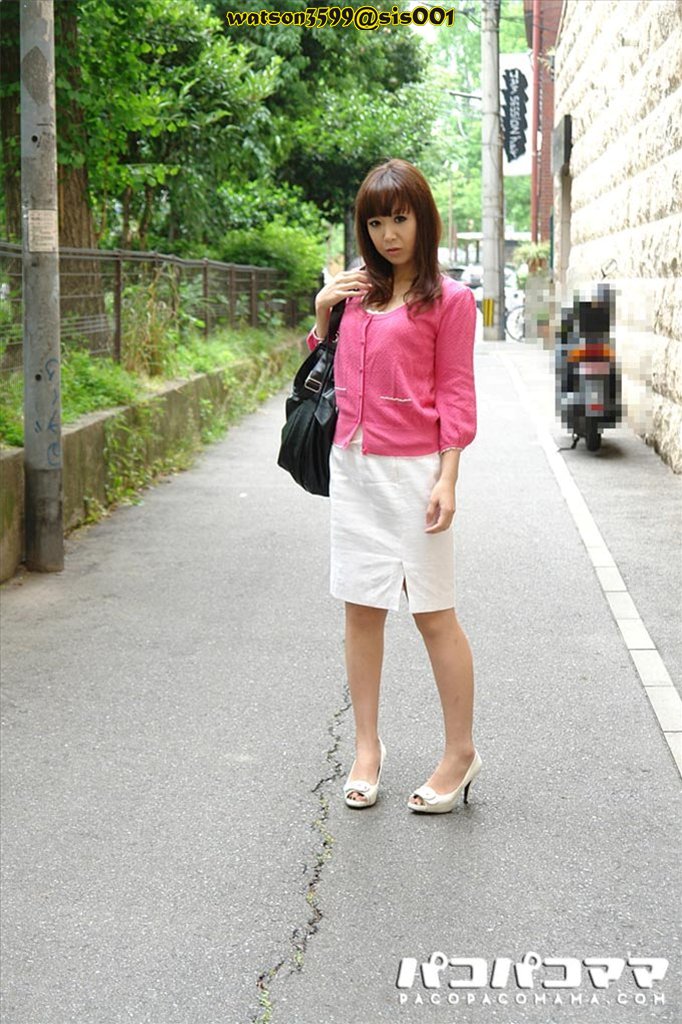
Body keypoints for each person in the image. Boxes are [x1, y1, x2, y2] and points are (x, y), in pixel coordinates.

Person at [305, 158, 481, 815]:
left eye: (400, 219)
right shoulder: (355, 294)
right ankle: (366, 748)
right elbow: (321, 372)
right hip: (354, 467)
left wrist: (449, 477)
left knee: (433, 613)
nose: (388, 235)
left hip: (415, 473)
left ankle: (460, 753)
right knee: (361, 609)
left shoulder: (450, 300)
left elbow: (455, 391)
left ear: (422, 219)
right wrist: (323, 314)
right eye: (376, 223)